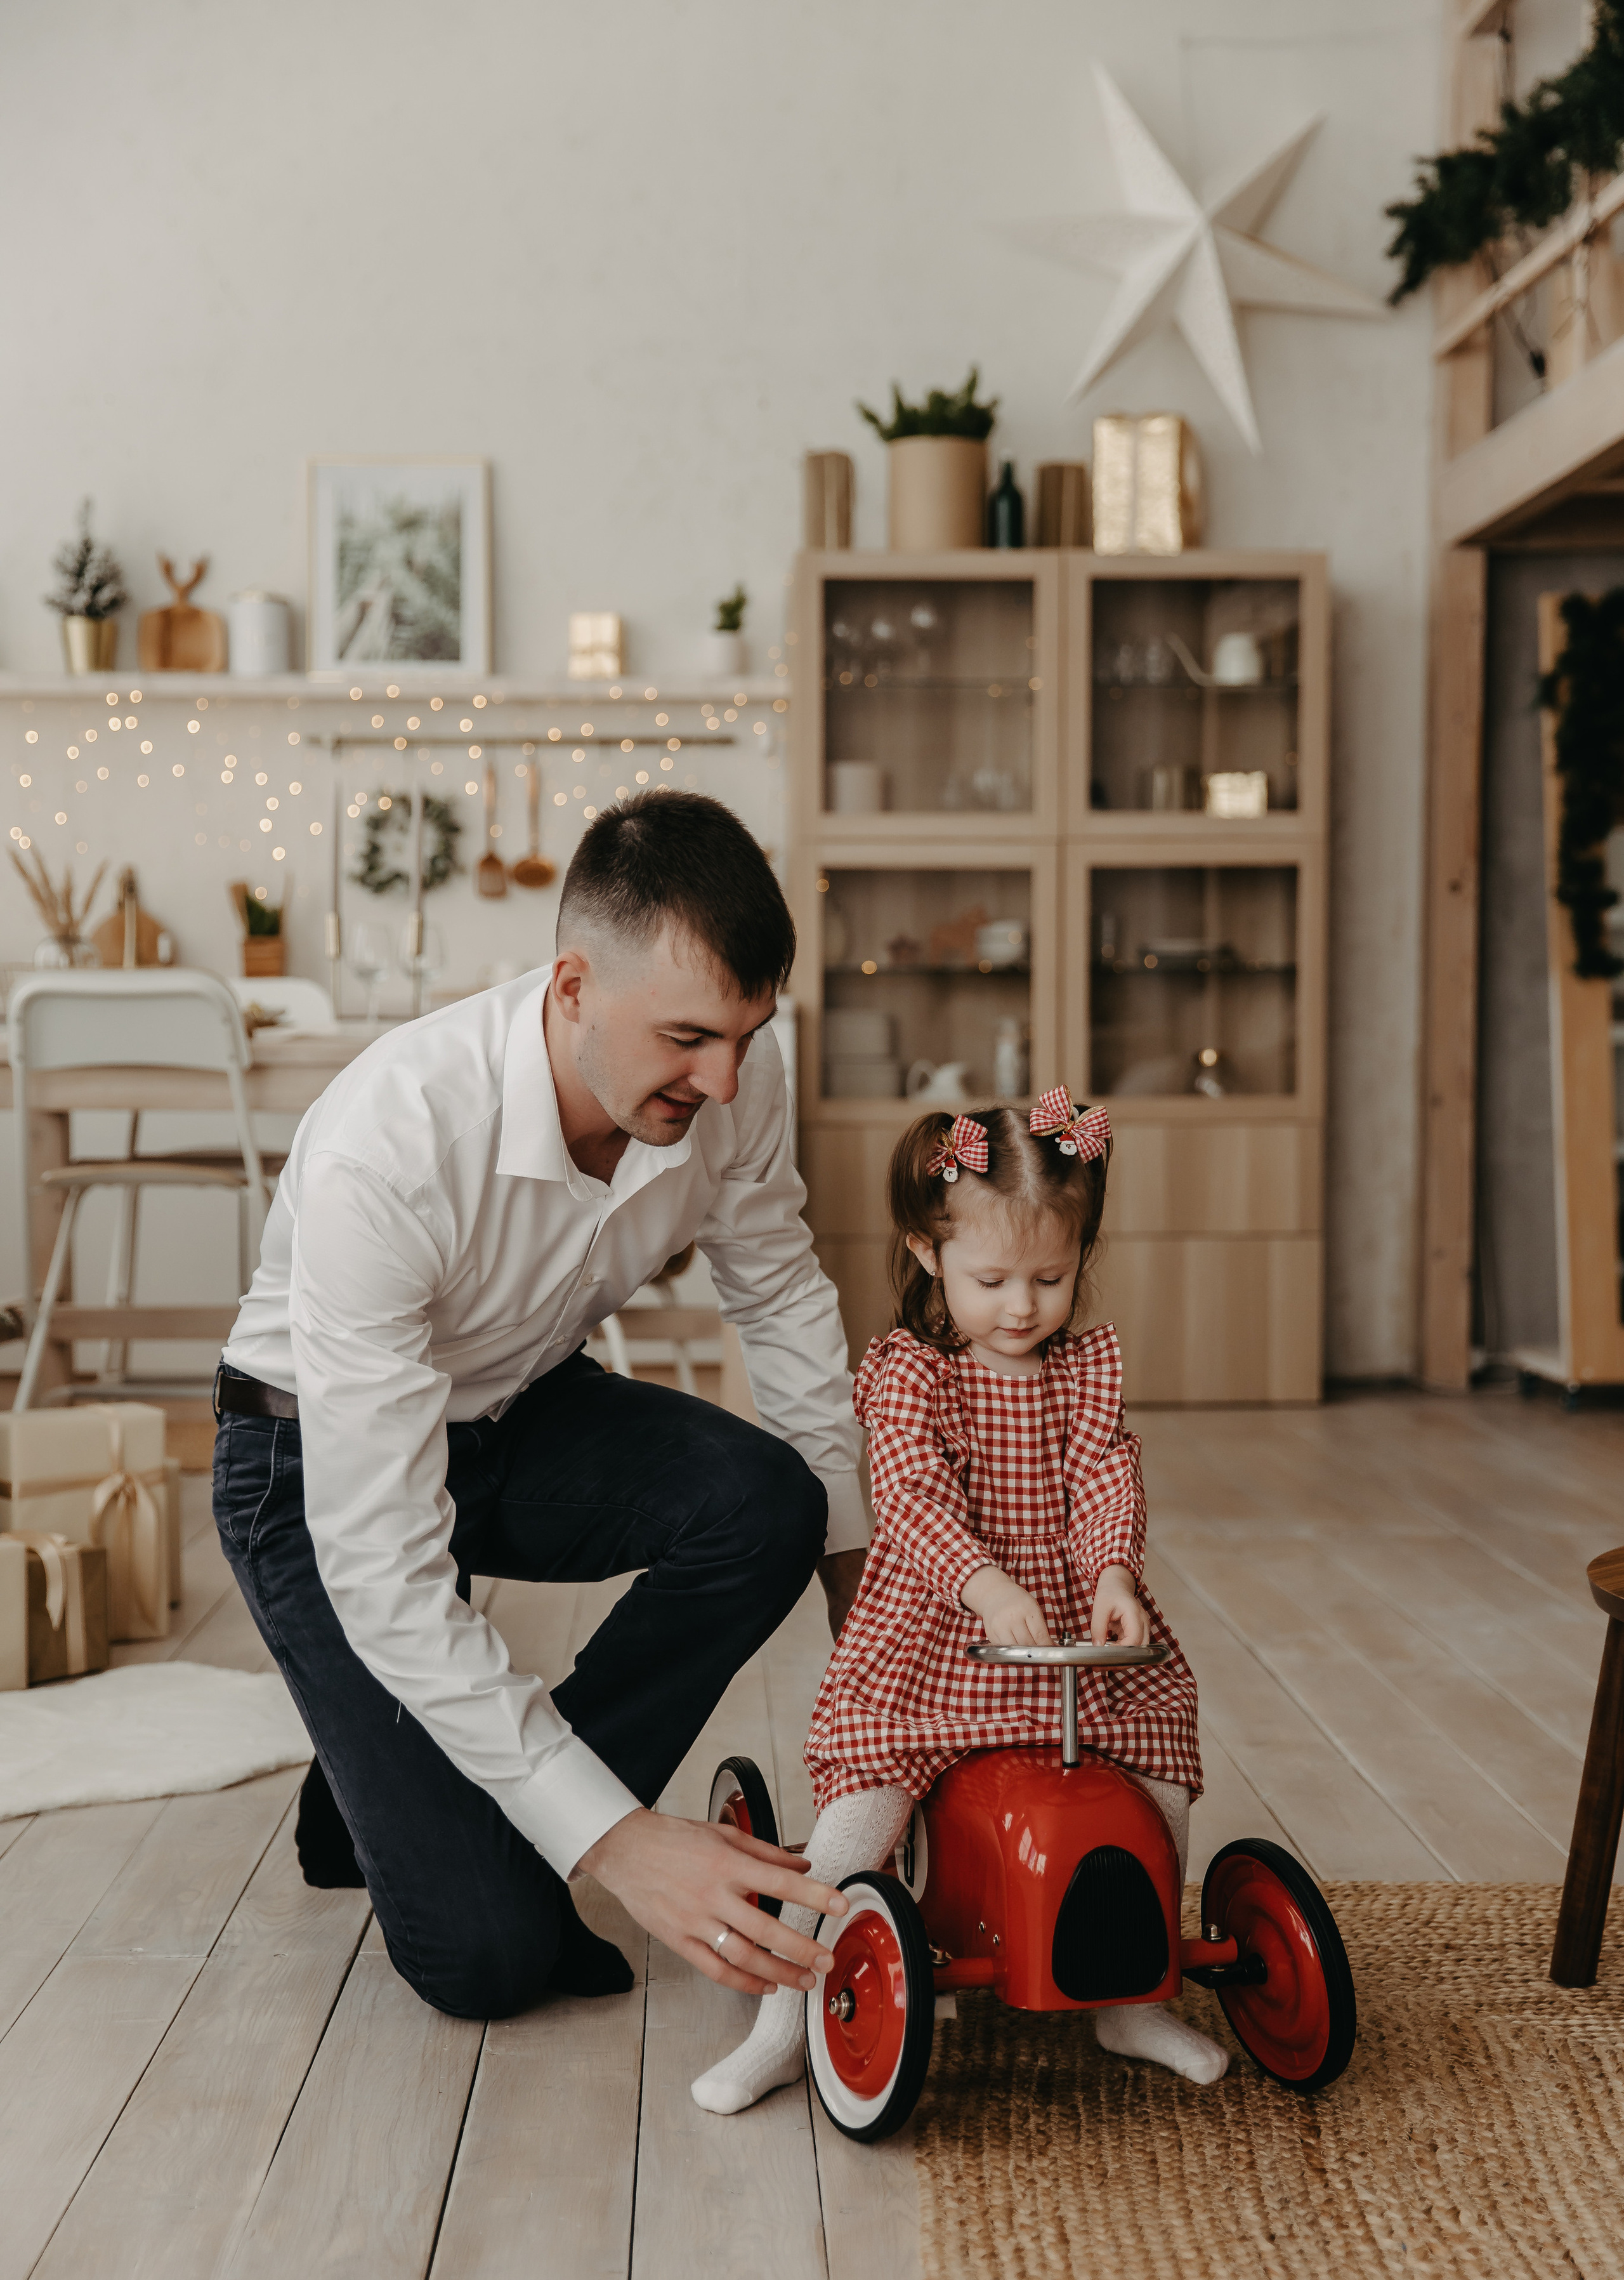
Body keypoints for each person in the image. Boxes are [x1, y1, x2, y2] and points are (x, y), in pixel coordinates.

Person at [213, 791, 867, 2019]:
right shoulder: (387, 1143)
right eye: (684, 1039)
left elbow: (778, 1295)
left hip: (521, 1405)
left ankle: (396, 1787)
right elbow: (386, 1571)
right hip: (311, 1466)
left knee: (766, 1505)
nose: (722, 1079)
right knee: (493, 1961)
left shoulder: (734, 1067)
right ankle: (404, 1779)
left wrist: (856, 1588)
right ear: (570, 986)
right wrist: (616, 1842)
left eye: (746, 1032)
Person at [692, 1091, 1225, 2116]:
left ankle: (1132, 1992)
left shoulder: (1082, 1374)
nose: (1021, 1306)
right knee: (859, 1826)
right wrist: (983, 1585)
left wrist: (1113, 1572)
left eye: (1050, 1278)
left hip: (1068, 1632)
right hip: (939, 1633)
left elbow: (1107, 1474)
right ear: (928, 1254)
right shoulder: (911, 1378)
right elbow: (910, 1494)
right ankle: (781, 2025)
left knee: (1159, 1769)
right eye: (991, 1280)